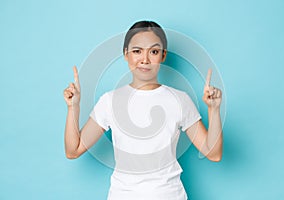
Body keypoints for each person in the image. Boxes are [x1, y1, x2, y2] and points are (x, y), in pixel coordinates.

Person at [63, 20, 223, 200]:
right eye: (137, 51)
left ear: (163, 56)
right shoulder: (109, 101)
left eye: (153, 52)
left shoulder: (180, 100)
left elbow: (213, 153)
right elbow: (73, 150)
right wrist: (73, 107)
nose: (145, 60)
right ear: (126, 54)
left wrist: (214, 109)